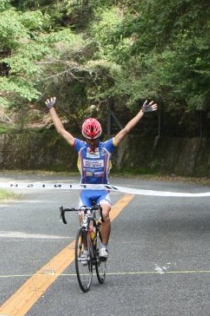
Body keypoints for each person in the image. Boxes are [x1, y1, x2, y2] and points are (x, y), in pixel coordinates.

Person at [46, 96, 157, 261]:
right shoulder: (80, 147)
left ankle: (103, 248)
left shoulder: (107, 147)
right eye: (89, 140)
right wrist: (52, 109)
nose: (92, 143)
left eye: (95, 139)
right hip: (85, 192)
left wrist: (141, 112)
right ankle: (85, 249)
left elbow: (125, 130)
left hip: (102, 191)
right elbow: (62, 131)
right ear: (85, 138)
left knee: (105, 213)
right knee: (83, 220)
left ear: (99, 137)